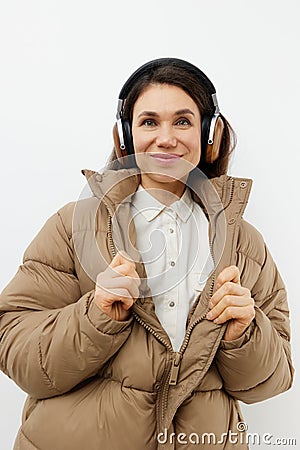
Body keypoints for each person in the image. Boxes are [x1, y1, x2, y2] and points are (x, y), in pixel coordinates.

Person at [0, 58, 294, 450]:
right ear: (125, 134)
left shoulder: (245, 243)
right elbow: (18, 353)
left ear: (209, 133)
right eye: (149, 121)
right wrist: (95, 315)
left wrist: (245, 333)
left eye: (183, 121)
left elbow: (271, 382)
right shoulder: (73, 226)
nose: (166, 138)